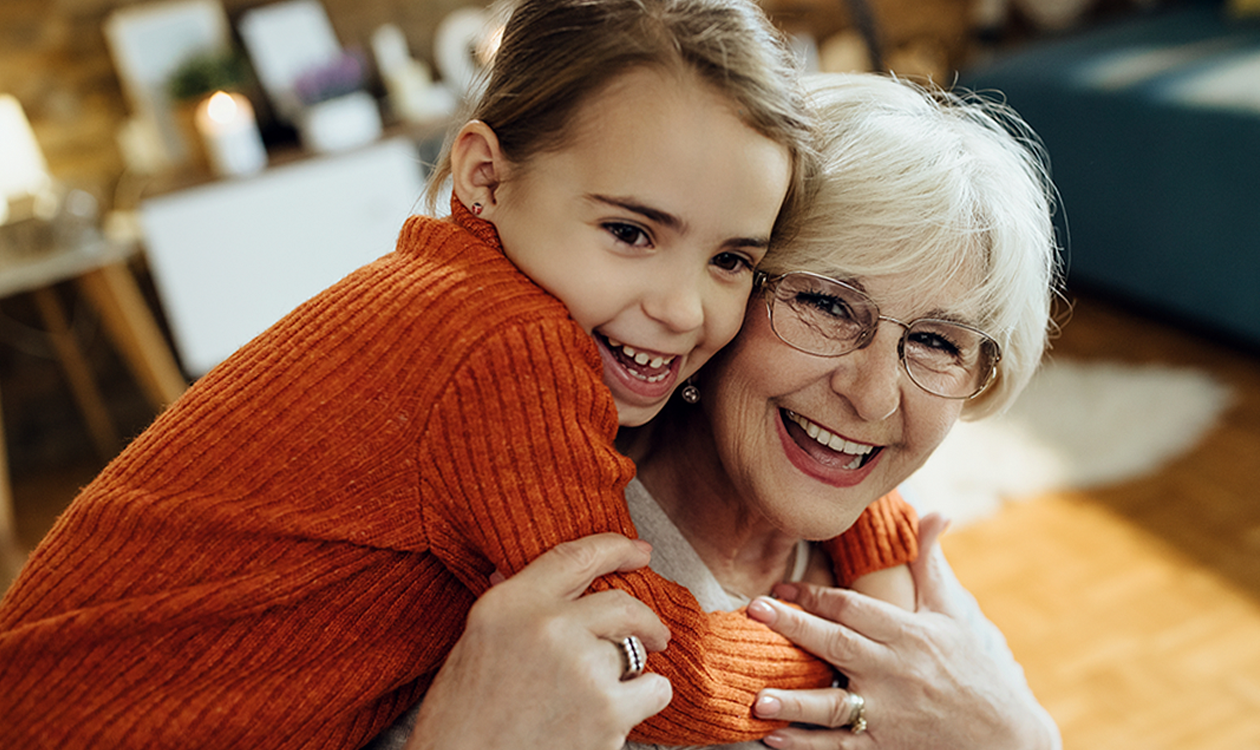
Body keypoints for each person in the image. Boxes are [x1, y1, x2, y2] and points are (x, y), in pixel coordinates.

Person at [0, 4, 919, 748]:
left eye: (731, 261)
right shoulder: (500, 341)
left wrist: (866, 514)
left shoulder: (455, 288)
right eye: (632, 232)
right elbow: (650, 672)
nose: (684, 309)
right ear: (482, 178)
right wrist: (865, 670)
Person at [396, 72, 1065, 750]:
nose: (871, 396)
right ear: (725, 283)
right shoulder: (529, 539)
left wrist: (1011, 733)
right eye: (827, 305)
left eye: (933, 342)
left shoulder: (889, 549)